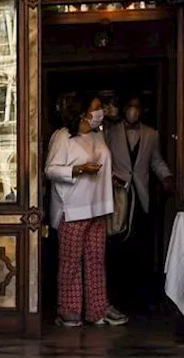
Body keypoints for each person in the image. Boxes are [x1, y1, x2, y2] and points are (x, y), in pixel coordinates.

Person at [45, 93, 127, 328]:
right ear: (82, 112)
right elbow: (50, 170)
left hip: (97, 206)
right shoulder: (63, 136)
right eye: (97, 107)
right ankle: (69, 311)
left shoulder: (98, 134)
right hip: (72, 209)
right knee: (71, 262)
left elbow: (102, 164)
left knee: (96, 261)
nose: (102, 111)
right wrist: (78, 169)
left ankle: (98, 309)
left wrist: (111, 177)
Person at [105, 96, 173, 311]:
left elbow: (156, 160)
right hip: (119, 196)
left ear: (141, 110)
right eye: (130, 106)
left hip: (141, 197)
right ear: (125, 109)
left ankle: (139, 296)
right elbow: (104, 161)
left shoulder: (151, 134)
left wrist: (167, 178)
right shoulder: (110, 132)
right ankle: (116, 294)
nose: (133, 110)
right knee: (117, 242)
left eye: (137, 107)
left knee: (140, 245)